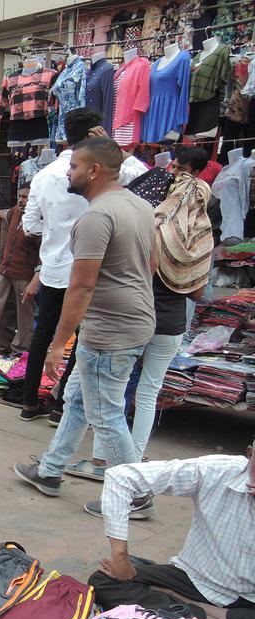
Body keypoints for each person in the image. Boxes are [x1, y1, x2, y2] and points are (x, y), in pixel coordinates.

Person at [14, 137, 157, 518]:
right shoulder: (140, 206)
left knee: (105, 414)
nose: (68, 172)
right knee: (77, 399)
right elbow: (152, 265)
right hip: (132, 319)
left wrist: (58, 343)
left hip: (111, 329)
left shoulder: (95, 217)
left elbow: (81, 286)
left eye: (75, 166)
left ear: (94, 170)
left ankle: (137, 495)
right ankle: (50, 470)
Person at [69, 147, 214, 482]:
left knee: (113, 396)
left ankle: (104, 462)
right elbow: (197, 291)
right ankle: (133, 463)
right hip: (172, 322)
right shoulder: (198, 232)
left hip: (136, 320)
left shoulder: (142, 223)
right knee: (148, 394)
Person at [20, 108, 149, 422]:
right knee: (80, 339)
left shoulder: (44, 175)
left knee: (45, 335)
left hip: (53, 269)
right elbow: (148, 179)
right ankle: (61, 405)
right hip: (86, 271)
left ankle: (29, 402)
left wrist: (55, 233)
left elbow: (29, 226)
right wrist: (113, 148)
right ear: (96, 132)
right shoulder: (104, 169)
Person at [88, 447, 255, 619]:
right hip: (197, 579)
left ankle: (195, 617)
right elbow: (121, 477)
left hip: (250, 601)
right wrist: (120, 557)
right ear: (250, 454)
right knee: (104, 581)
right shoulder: (219, 470)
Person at [0, 186, 41, 354]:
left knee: (25, 316)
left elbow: (43, 253)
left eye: (26, 197)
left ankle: (20, 350)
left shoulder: (39, 220)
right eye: (20, 196)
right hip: (5, 269)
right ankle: (6, 343)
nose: (22, 200)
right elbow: (7, 214)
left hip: (25, 273)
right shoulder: (16, 211)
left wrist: (36, 278)